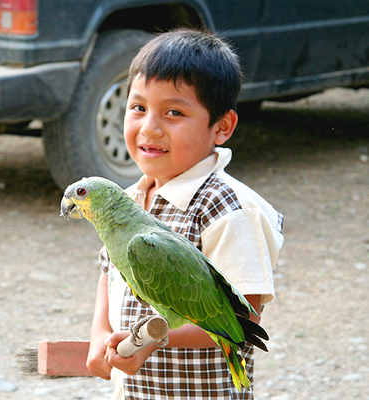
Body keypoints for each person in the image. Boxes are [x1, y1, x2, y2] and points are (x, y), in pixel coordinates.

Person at [86, 28, 284, 399]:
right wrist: (100, 332)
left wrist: (152, 339)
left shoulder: (231, 210)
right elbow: (108, 273)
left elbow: (244, 322)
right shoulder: (124, 201)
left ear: (222, 126)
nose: (150, 127)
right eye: (138, 108)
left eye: (173, 112)